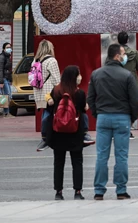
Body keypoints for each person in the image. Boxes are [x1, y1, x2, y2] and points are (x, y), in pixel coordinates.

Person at [88, 44, 138, 200]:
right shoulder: (127, 75)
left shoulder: (96, 74)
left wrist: (97, 113)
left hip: (103, 118)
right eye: (123, 53)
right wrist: (132, 118)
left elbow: (90, 98)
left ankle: (99, 190)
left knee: (101, 156)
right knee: (122, 156)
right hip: (122, 118)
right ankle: (121, 190)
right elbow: (135, 100)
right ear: (117, 56)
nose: (125, 56)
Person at [47, 65, 87, 201]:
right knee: (77, 161)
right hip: (75, 131)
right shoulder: (79, 93)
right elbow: (84, 108)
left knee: (58, 162)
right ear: (74, 77)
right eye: (79, 75)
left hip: (57, 132)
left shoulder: (56, 90)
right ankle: (77, 191)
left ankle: (58, 191)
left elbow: (49, 107)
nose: (80, 77)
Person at [33, 40, 62, 152]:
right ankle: (46, 138)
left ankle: (46, 136)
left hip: (39, 92)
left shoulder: (35, 60)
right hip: (49, 92)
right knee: (50, 113)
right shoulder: (51, 60)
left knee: (46, 113)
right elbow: (56, 79)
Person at [117, 31, 138, 138]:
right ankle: (128, 126)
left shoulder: (116, 54)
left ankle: (120, 128)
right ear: (128, 40)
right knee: (132, 105)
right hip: (132, 81)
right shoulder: (135, 53)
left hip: (119, 82)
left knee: (120, 105)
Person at [0, 42, 13, 117]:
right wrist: (1, 81)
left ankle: (5, 111)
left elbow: (8, 70)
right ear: (4, 49)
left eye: (10, 47)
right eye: (7, 47)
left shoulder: (7, 57)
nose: (9, 49)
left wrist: (10, 79)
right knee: (6, 96)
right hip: (2, 79)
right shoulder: (1, 57)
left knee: (8, 96)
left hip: (6, 78)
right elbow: (0, 70)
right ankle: (5, 112)